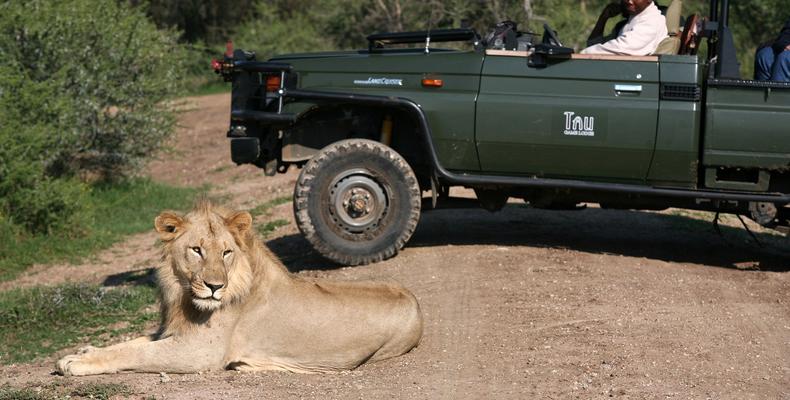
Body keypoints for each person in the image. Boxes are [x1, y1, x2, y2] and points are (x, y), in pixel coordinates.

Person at [581, 0, 668, 56]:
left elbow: (622, 47)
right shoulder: (629, 22)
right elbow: (593, 45)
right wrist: (603, 18)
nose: (628, 1)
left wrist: (584, 53)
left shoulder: (651, 21)